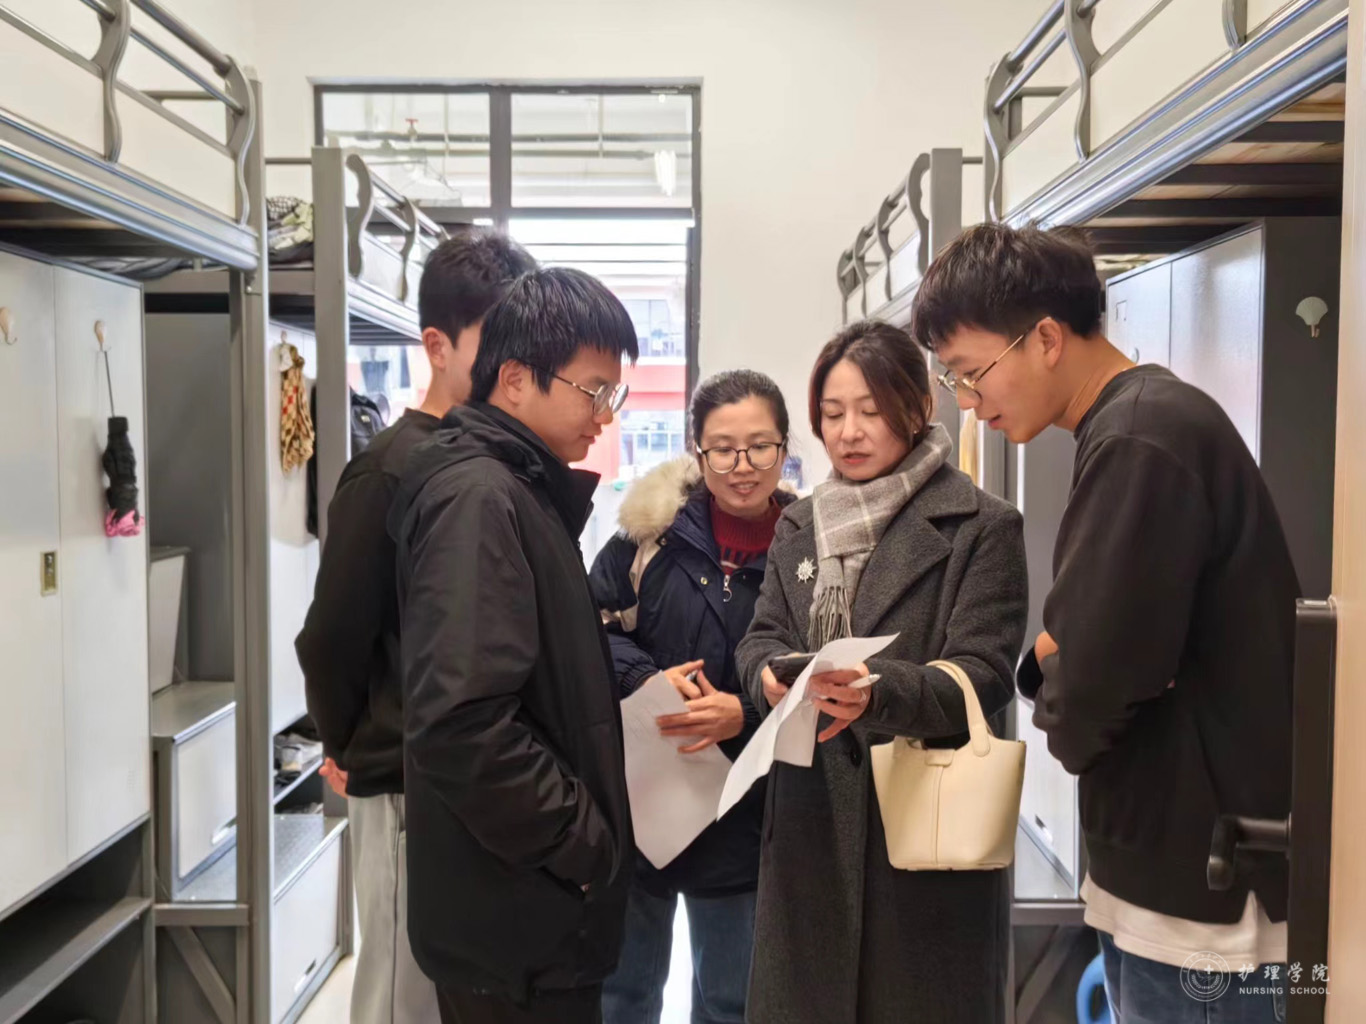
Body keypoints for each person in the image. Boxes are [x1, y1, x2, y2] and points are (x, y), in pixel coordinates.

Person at [911, 222, 1295, 1024]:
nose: (970, 404)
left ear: (1046, 338)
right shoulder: (1135, 424)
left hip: (1198, 895)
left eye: (972, 373)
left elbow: (1091, 676)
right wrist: (1059, 656)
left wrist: (1062, 687)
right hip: (1175, 866)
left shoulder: (1139, 438)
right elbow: (1083, 643)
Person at [734, 320, 1028, 1024]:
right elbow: (762, 635)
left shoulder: (981, 525)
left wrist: (878, 693)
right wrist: (767, 676)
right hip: (809, 833)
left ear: (918, 407)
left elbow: (985, 672)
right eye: (833, 413)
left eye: (870, 410)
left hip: (922, 839)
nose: (849, 432)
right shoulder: (800, 523)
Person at [295, 228, 535, 1024]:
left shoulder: (493, 460)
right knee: (401, 993)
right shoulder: (388, 472)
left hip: (471, 781)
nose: (515, 365)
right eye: (495, 341)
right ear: (437, 346)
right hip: (404, 783)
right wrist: (349, 744)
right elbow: (331, 637)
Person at [389, 267, 639, 1024]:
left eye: (614, 394)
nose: (605, 415)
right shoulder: (480, 498)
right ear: (518, 379)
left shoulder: (518, 488)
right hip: (516, 924)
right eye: (594, 391)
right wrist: (582, 844)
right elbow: (462, 725)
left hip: (524, 912)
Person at [589, 370, 795, 1024]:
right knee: (622, 995)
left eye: (759, 446)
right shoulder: (650, 535)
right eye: (722, 449)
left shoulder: (808, 547)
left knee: (732, 1001)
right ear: (697, 451)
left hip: (744, 813)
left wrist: (746, 712)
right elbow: (588, 628)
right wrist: (644, 680)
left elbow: (821, 675)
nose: (742, 466)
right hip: (642, 801)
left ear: (784, 447)